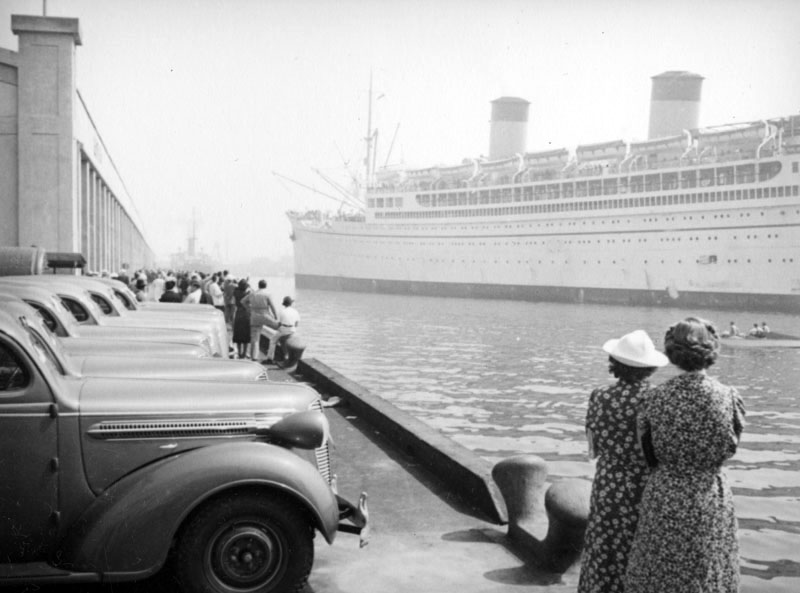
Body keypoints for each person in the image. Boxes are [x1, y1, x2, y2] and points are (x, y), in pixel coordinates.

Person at [625, 317, 745, 593]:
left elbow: (648, 454)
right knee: (708, 570)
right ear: (711, 350)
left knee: (657, 572)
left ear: (672, 353)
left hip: (664, 492)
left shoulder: (653, 398)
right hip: (709, 495)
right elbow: (731, 447)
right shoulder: (729, 397)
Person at [578, 330, 668, 593]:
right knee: (640, 548)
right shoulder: (658, 399)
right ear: (649, 367)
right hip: (646, 484)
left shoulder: (600, 395)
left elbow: (593, 446)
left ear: (615, 363)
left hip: (609, 481)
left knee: (604, 544)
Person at [241, 280, 278, 362]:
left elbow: (242, 301)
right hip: (265, 315)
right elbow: (272, 307)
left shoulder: (252, 294)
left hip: (254, 316)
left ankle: (254, 357)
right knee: (279, 327)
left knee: (255, 338)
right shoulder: (267, 294)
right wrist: (276, 316)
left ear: (258, 285)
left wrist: (249, 309)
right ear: (266, 286)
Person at [265, 296, 301, 364]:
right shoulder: (295, 311)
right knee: (283, 341)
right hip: (292, 330)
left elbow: (279, 324)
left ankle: (270, 359)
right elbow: (296, 324)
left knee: (272, 341)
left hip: (284, 329)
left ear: (284, 304)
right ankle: (286, 357)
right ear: (291, 303)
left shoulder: (281, 311)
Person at [232, 279, 252, 359]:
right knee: (246, 334)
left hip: (238, 313)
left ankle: (239, 352)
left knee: (238, 333)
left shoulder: (235, 292)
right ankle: (244, 353)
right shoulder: (247, 294)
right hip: (246, 313)